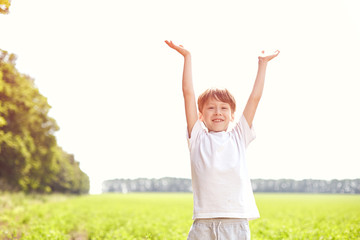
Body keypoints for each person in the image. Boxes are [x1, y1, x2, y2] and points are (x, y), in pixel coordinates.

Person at [165, 40, 279, 240]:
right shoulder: (197, 137)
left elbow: (254, 99)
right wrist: (187, 57)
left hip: (235, 223)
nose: (217, 112)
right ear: (201, 115)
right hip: (203, 223)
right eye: (210, 107)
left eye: (224, 108)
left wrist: (263, 65)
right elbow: (188, 95)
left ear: (232, 114)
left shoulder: (239, 136)